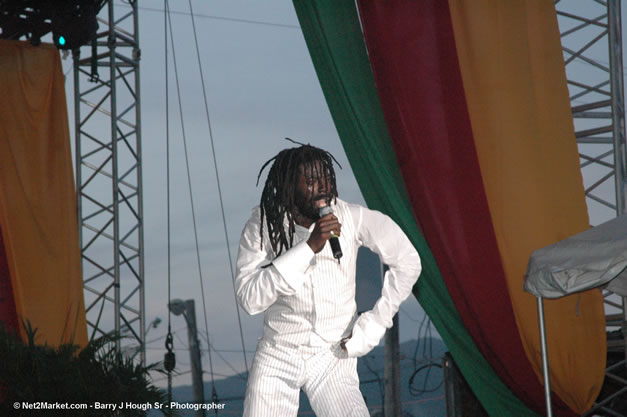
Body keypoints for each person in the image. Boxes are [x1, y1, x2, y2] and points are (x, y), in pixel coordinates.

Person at [235, 142, 421, 417]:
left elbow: (408, 261)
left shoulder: (351, 216)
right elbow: (249, 299)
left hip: (332, 353)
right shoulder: (264, 223)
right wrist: (308, 247)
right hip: (279, 351)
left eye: (325, 178)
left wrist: (376, 322)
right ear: (289, 187)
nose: (321, 187)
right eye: (310, 181)